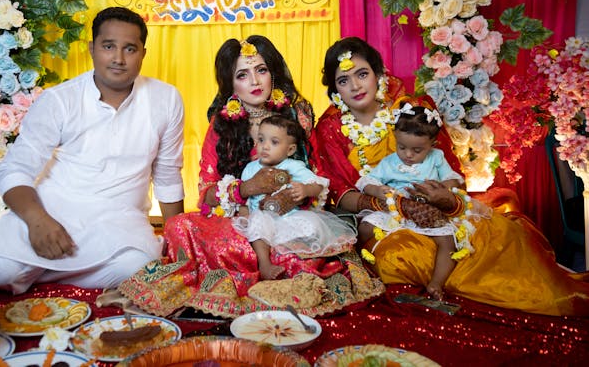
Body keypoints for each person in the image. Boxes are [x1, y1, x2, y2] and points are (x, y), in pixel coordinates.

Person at [312, 36, 589, 316]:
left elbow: (451, 172)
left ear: (378, 74)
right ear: (334, 90)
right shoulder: (331, 128)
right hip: (386, 218)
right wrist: (388, 204)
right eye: (343, 80)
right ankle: (436, 290)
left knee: (502, 235)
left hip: (436, 208)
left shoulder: (412, 110)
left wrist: (442, 199)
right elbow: (340, 191)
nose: (355, 86)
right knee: (399, 258)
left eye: (362, 74)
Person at [116, 35, 384, 318]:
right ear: (231, 84)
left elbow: (319, 179)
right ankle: (266, 265)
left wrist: (295, 196)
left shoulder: (297, 116)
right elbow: (207, 193)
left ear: (273, 73)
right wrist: (246, 189)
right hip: (240, 223)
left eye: (261, 70)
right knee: (179, 226)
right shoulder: (221, 125)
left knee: (305, 238)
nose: (255, 82)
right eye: (243, 75)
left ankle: (261, 266)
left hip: (290, 219)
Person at [0, 7, 185, 294]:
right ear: (92, 49)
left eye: (130, 49)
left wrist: (178, 243)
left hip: (119, 222)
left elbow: (168, 175)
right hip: (53, 212)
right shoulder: (59, 99)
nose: (119, 59)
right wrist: (38, 221)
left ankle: (42, 273)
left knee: (141, 273)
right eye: (109, 46)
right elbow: (14, 169)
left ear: (143, 54)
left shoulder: (166, 99)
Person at [356, 103, 486, 300]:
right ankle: (357, 269)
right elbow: (367, 180)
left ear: (432, 143)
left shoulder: (437, 158)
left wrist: (444, 187)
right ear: (396, 140)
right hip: (396, 209)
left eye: (417, 150)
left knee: (448, 241)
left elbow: (455, 179)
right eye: (402, 147)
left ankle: (436, 283)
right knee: (365, 227)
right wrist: (377, 189)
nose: (408, 155)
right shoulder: (390, 161)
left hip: (429, 211)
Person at [233, 115, 356, 280]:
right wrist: (244, 218)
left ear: (290, 150)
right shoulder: (250, 168)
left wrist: (306, 189)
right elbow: (245, 200)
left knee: (311, 224)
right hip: (263, 218)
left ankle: (297, 255)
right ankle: (264, 264)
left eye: (274, 142)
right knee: (257, 225)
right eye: (261, 140)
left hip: (289, 217)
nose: (265, 146)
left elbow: (318, 185)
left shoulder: (293, 166)